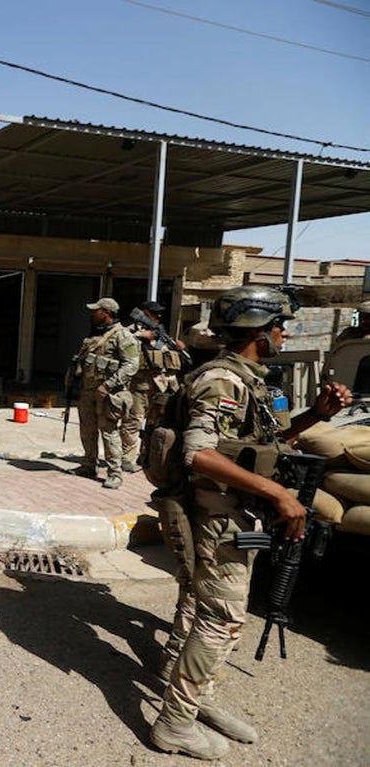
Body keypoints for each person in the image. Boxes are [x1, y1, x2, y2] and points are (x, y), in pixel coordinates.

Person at [149, 285, 352, 760]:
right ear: (259, 330)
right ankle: (175, 723)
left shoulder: (246, 378)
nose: (285, 333)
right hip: (215, 513)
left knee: (199, 605)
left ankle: (194, 695)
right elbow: (197, 452)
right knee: (221, 618)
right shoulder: (223, 381)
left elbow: (252, 446)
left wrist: (312, 417)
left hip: (226, 509)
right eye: (280, 325)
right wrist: (278, 493)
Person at [68, 297, 139, 490]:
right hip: (88, 391)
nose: (92, 314)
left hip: (109, 394)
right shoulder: (94, 336)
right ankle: (89, 465)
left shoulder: (122, 335)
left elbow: (131, 365)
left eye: (96, 311)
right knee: (87, 430)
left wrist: (107, 386)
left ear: (106, 313)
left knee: (109, 433)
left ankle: (114, 473)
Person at [125, 300, 188, 469]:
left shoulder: (161, 332)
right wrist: (140, 336)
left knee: (156, 423)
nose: (159, 315)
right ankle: (127, 459)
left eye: (160, 312)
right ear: (144, 312)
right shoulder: (131, 330)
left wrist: (177, 347)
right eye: (154, 312)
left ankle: (146, 456)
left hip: (163, 385)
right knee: (133, 420)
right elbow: (121, 340)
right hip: (142, 383)